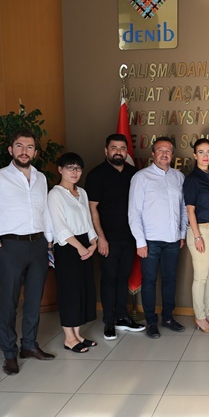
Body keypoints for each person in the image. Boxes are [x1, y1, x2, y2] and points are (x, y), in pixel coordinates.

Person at [0, 128, 55, 375]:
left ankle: (29, 345)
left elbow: (45, 212)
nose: (24, 151)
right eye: (20, 146)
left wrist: (49, 242)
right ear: (11, 150)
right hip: (11, 246)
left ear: (35, 152)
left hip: (39, 245)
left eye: (29, 147)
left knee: (34, 300)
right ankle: (9, 354)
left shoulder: (41, 178)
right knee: (9, 304)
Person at [86, 134, 145, 341]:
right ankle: (109, 321)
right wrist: (100, 238)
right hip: (107, 239)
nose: (118, 152)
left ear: (126, 151)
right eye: (114, 148)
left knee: (123, 278)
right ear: (106, 151)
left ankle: (122, 317)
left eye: (122, 148)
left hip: (129, 238)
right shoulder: (96, 175)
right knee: (109, 279)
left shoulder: (134, 174)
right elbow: (92, 209)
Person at [128, 136, 188, 338]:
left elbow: (183, 208)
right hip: (150, 241)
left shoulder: (179, 177)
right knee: (149, 282)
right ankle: (151, 322)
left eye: (168, 151)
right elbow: (134, 212)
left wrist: (181, 234)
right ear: (153, 154)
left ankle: (168, 318)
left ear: (173, 155)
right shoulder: (141, 177)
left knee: (170, 280)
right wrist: (140, 241)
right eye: (160, 150)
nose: (164, 154)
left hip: (173, 240)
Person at [48, 152, 99, 353]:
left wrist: (93, 242)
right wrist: (80, 247)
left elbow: (88, 220)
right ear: (60, 169)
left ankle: (78, 334)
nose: (74, 172)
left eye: (78, 168)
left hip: (85, 244)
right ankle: (69, 338)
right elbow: (59, 226)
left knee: (82, 290)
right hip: (68, 247)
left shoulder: (82, 192)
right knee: (69, 292)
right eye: (70, 167)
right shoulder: (55, 194)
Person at [184, 138, 209, 333]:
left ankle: (206, 313)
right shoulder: (193, 179)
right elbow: (190, 210)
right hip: (200, 231)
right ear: (195, 155)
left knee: (208, 276)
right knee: (200, 277)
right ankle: (199, 317)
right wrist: (197, 236)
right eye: (201, 152)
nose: (205, 155)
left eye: (208, 152)